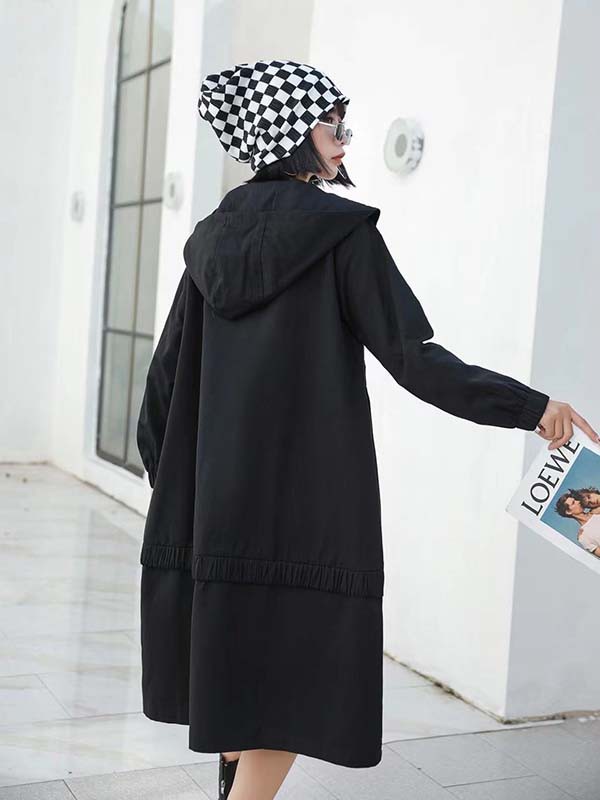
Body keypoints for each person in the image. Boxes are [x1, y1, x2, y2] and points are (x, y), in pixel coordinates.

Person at [135, 59, 599, 800]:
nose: (344, 140)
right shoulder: (340, 235)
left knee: (239, 675)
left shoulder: (208, 241)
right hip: (308, 513)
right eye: (332, 125)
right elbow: (414, 359)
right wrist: (530, 406)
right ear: (292, 133)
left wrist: (182, 497)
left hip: (216, 511)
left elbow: (162, 387)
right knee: (288, 683)